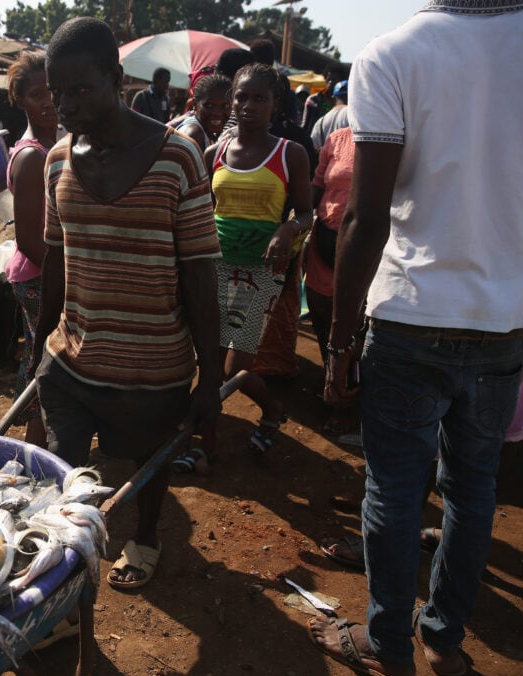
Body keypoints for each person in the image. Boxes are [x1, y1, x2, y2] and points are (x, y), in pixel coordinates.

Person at [310, 3, 523, 676]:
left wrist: (339, 344)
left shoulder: (392, 54)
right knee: (473, 486)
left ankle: (386, 642)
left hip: (411, 313)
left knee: (396, 488)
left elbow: (367, 215)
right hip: (501, 319)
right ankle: (443, 637)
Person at [34, 17, 222, 589]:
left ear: (115, 79)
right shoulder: (57, 162)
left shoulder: (178, 157)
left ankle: (144, 537)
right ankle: (59, 585)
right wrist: (38, 344)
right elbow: (55, 262)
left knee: (149, 463)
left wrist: (210, 379)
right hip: (69, 358)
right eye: (56, 92)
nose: (65, 105)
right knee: (59, 475)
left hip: (151, 368)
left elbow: (199, 277)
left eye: (80, 89)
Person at [181, 63, 311, 472]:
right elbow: (200, 211)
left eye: (259, 98)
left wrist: (287, 230)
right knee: (208, 362)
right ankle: (206, 447)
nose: (248, 105)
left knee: (236, 368)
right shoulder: (212, 152)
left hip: (260, 273)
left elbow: (308, 214)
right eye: (242, 97)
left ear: (275, 103)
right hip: (213, 267)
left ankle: (272, 410)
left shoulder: (289, 153)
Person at [4, 51, 58, 447]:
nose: (48, 101)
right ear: (20, 99)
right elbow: (28, 239)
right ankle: (33, 449)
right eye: (37, 94)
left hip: (53, 270)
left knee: (50, 360)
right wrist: (69, 278)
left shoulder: (56, 142)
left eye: (52, 91)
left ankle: (38, 445)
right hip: (41, 275)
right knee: (46, 363)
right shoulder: (30, 157)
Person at [303, 126, 357, 437]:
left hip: (364, 250)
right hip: (325, 242)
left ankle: (349, 401)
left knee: (355, 323)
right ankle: (332, 385)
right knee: (322, 313)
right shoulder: (337, 138)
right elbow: (317, 186)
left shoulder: (398, 140)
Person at [168, 73, 231, 152]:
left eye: (225, 106)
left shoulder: (207, 132)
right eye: (210, 105)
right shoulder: (194, 134)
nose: (217, 113)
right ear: (194, 104)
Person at [301, 63, 348, 133]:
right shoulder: (313, 100)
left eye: (335, 79)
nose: (331, 82)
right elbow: (305, 125)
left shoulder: (345, 103)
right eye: (329, 78)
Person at [310, 80, 349, 151]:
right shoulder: (356, 116)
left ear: (333, 98)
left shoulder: (321, 121)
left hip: (329, 161)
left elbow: (314, 148)